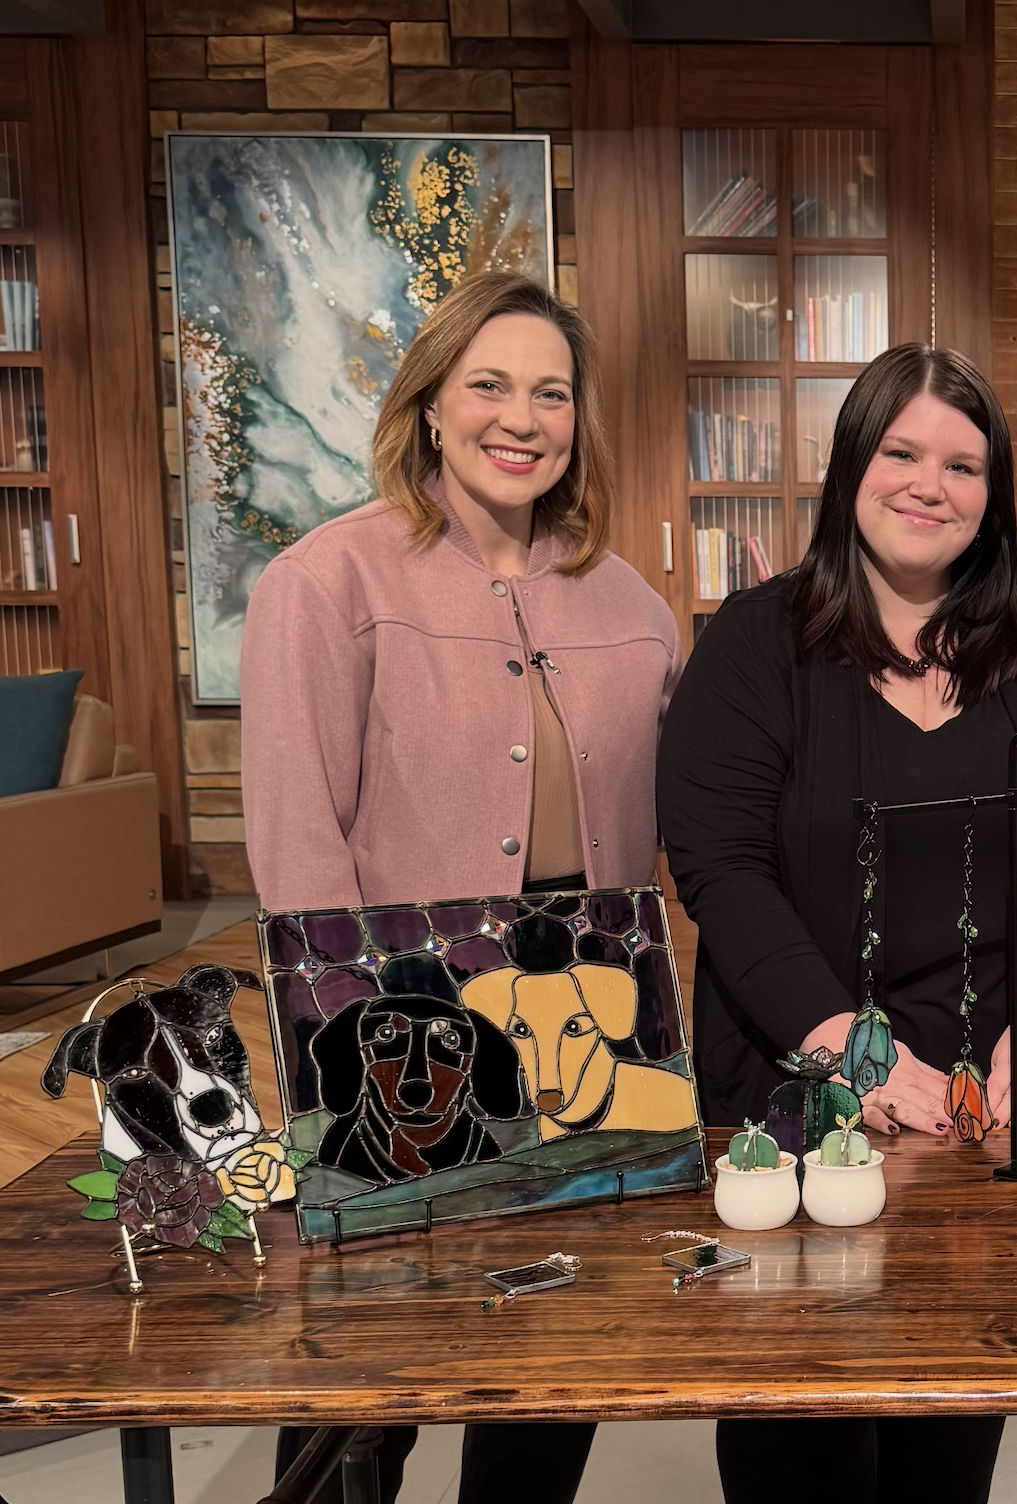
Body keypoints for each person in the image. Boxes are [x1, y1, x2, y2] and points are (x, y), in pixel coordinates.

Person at [659, 342, 1017, 1504]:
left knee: (947, 1438)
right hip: (796, 1092)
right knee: (800, 1440)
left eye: (964, 465)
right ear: (851, 465)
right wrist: (853, 1051)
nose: (930, 485)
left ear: (994, 494)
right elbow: (718, 871)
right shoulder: (753, 641)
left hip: (990, 1114)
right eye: (902, 452)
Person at [241, 269, 679, 1504]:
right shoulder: (327, 582)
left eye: (551, 392)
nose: (520, 416)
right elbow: (297, 852)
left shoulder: (634, 604)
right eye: (488, 384)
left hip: (577, 1044)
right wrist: (347, 1072)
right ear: (430, 405)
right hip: (396, 1050)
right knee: (364, 1392)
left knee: (550, 1366)